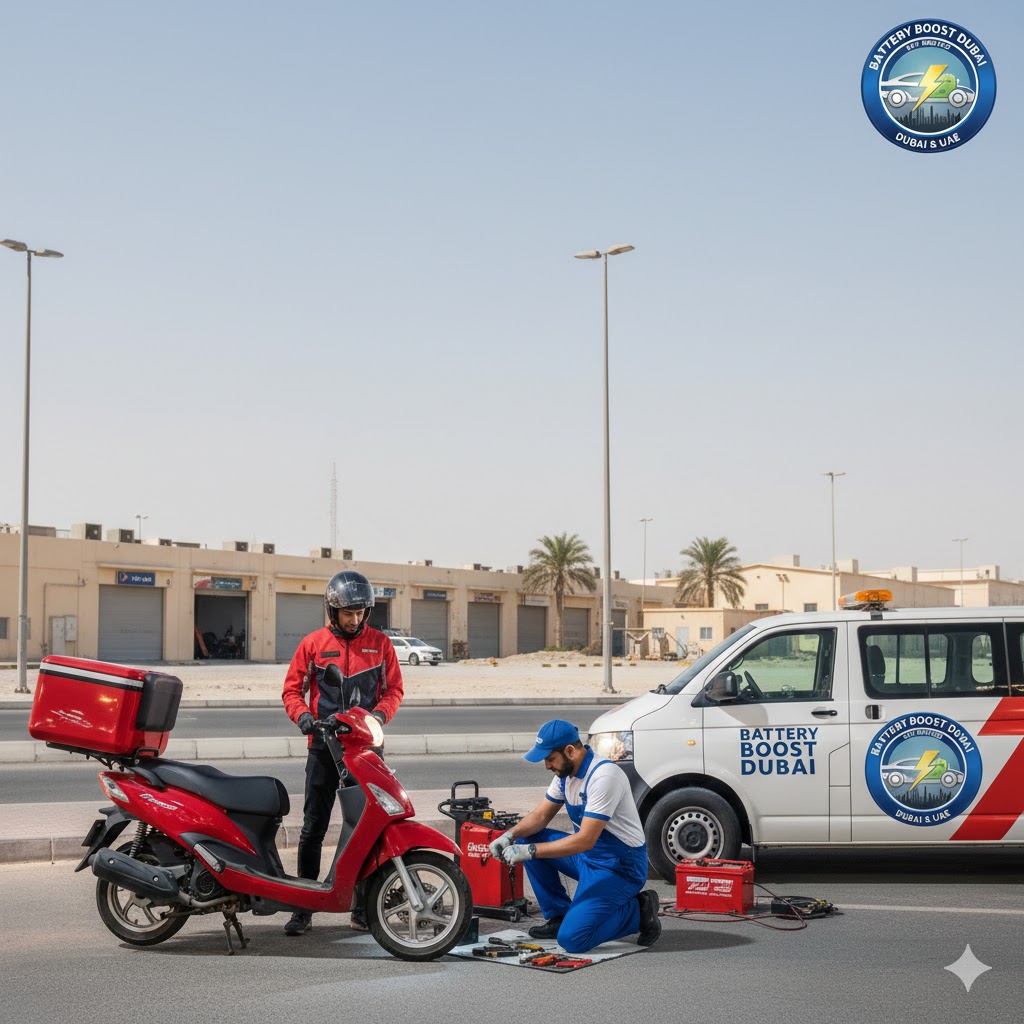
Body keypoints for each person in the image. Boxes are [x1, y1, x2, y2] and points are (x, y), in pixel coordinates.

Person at [281, 570, 404, 936]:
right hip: (323, 746)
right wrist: (303, 717)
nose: (355, 620)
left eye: (361, 612)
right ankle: (303, 908)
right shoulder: (313, 644)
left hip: (366, 747)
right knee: (313, 827)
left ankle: (363, 908)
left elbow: (394, 690)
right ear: (332, 611)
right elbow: (291, 691)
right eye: (348, 613)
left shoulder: (380, 644)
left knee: (371, 827)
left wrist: (378, 717)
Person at [487, 719, 661, 953]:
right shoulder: (565, 775)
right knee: (527, 838)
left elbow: (585, 839)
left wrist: (530, 852)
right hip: (588, 858)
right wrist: (509, 836)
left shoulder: (604, 776)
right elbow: (540, 817)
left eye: (550, 759)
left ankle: (638, 911)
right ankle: (558, 916)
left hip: (620, 868)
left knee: (573, 940)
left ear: (570, 750)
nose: (547, 766)